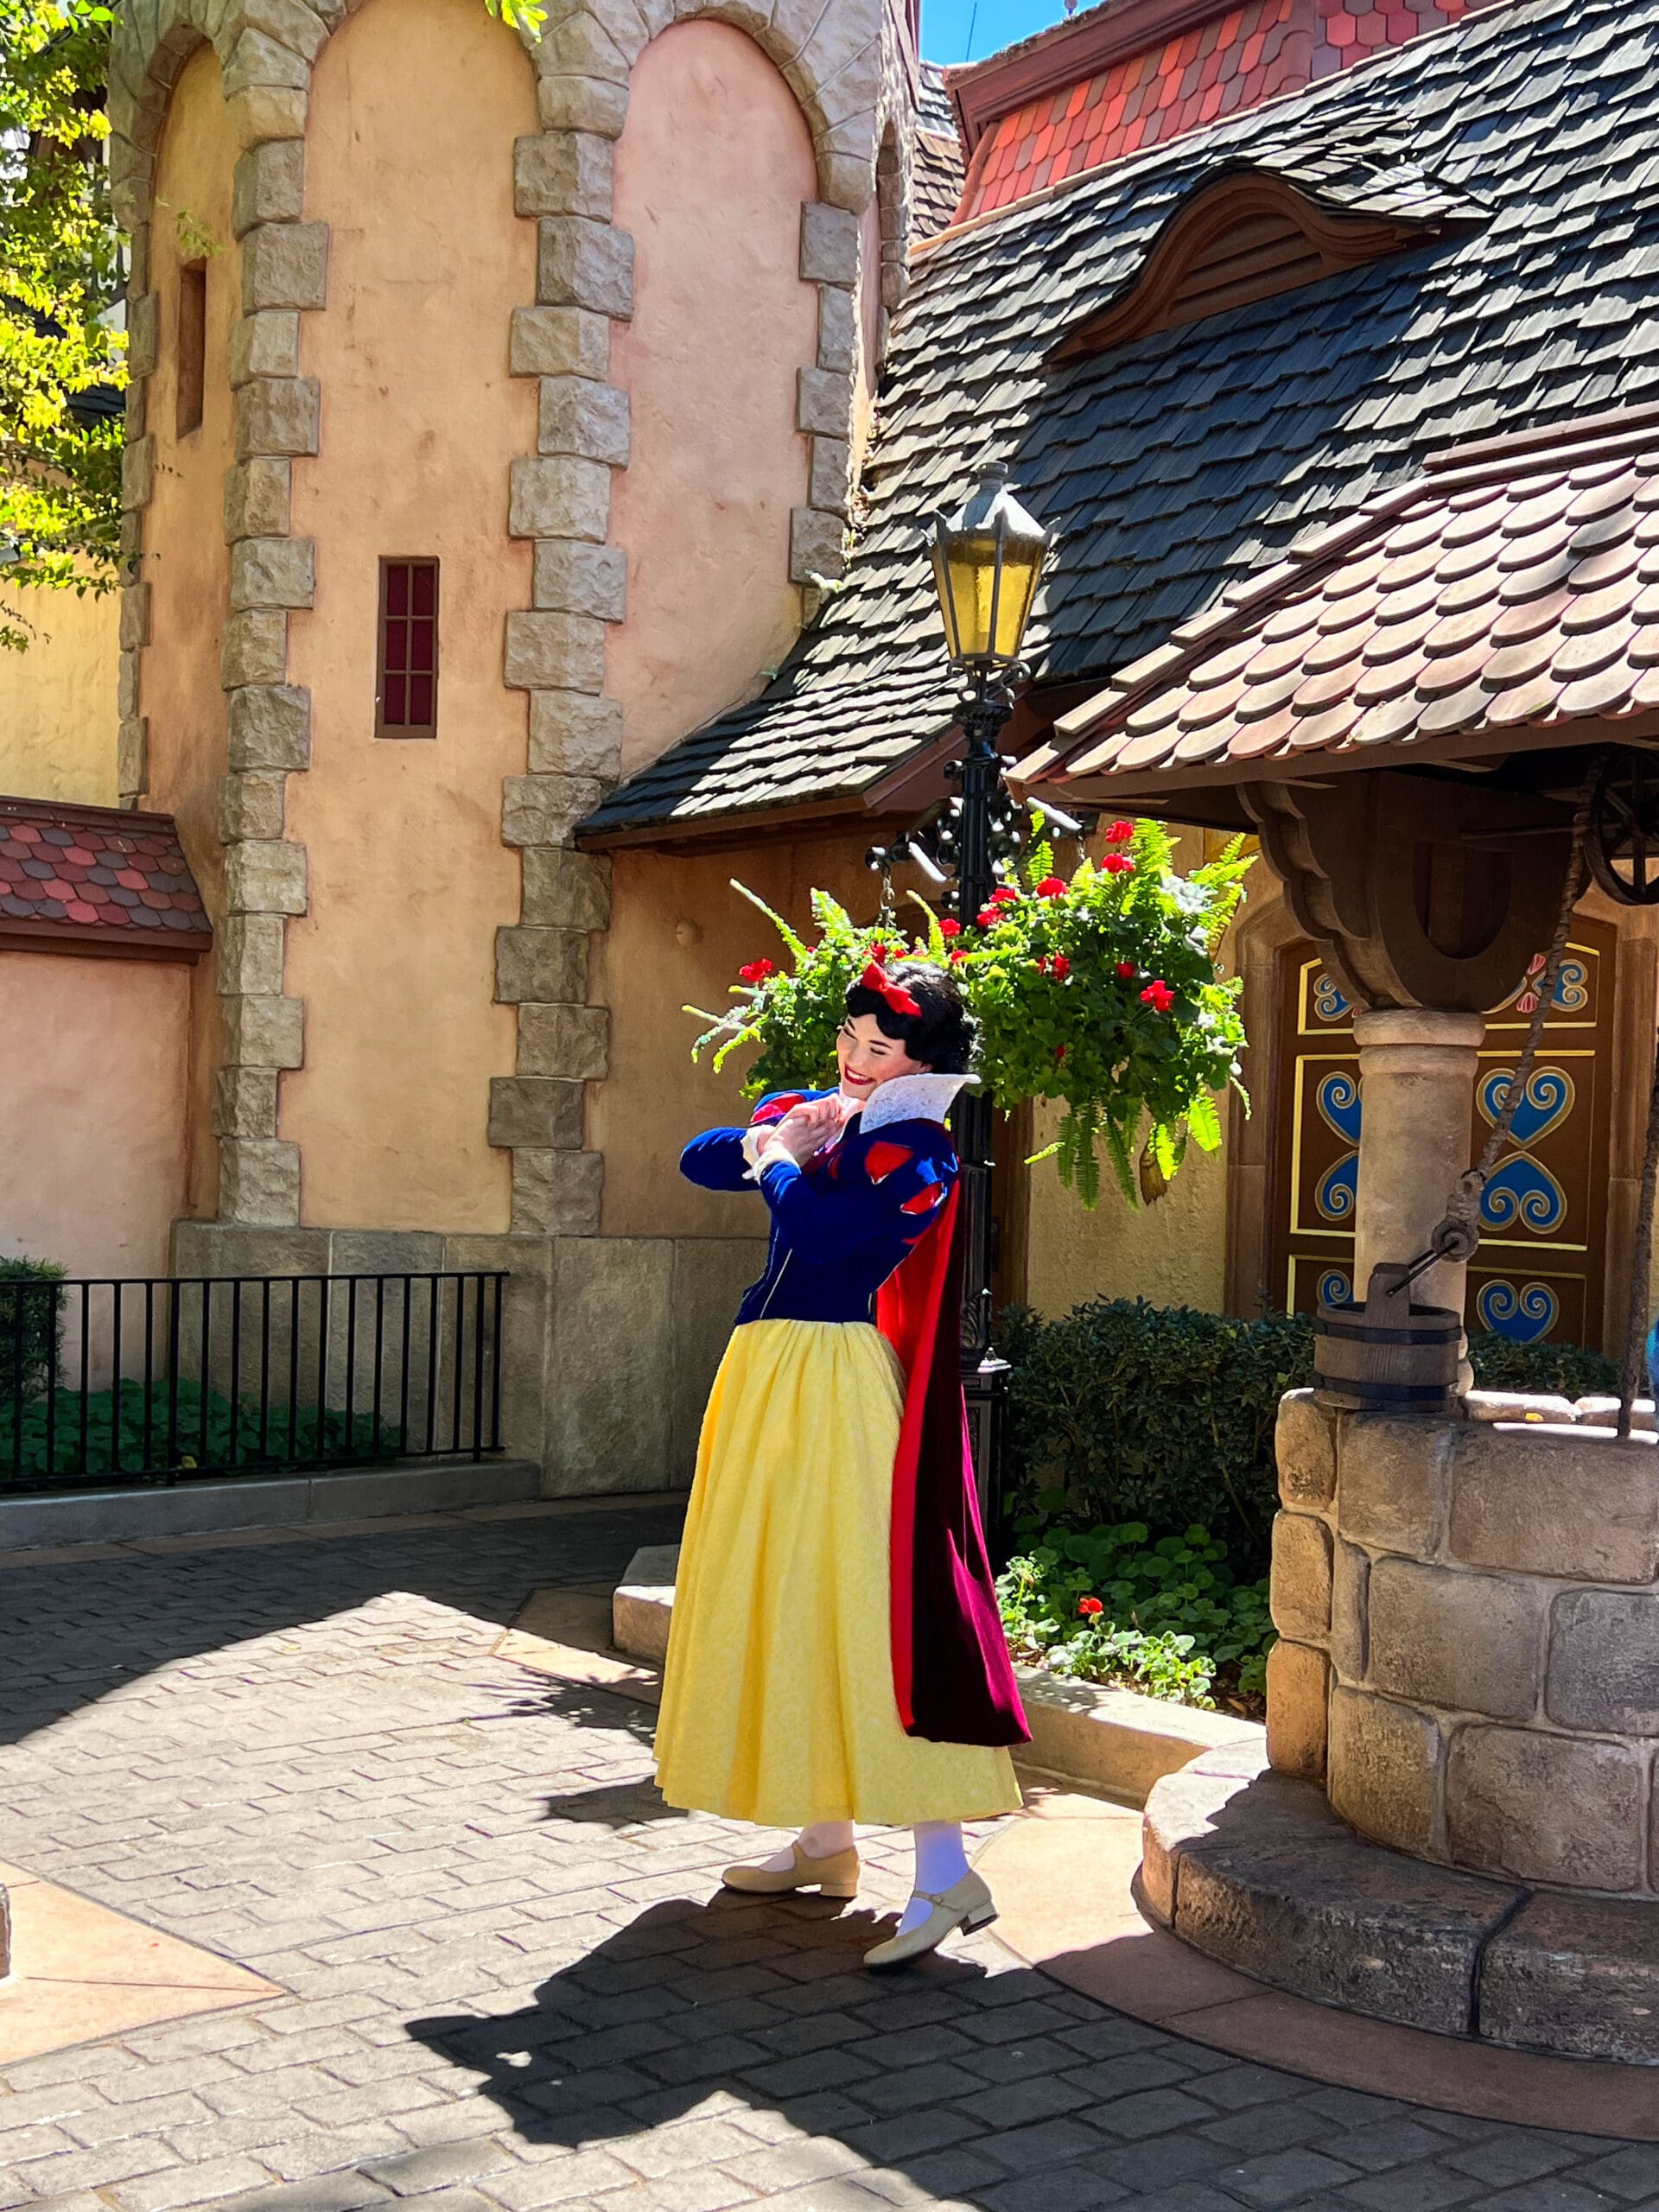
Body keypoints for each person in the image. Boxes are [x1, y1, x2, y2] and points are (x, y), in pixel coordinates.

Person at [655, 953, 1029, 1969]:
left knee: (868, 1613)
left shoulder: (919, 1153)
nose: (858, 1060)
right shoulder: (834, 1119)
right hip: (768, 1378)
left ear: (920, 1061)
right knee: (787, 1597)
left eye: (880, 1048)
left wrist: (778, 1156)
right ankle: (826, 1842)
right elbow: (695, 1157)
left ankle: (948, 1873)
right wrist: (775, 1131)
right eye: (851, 1040)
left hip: (837, 1385)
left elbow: (820, 1240)